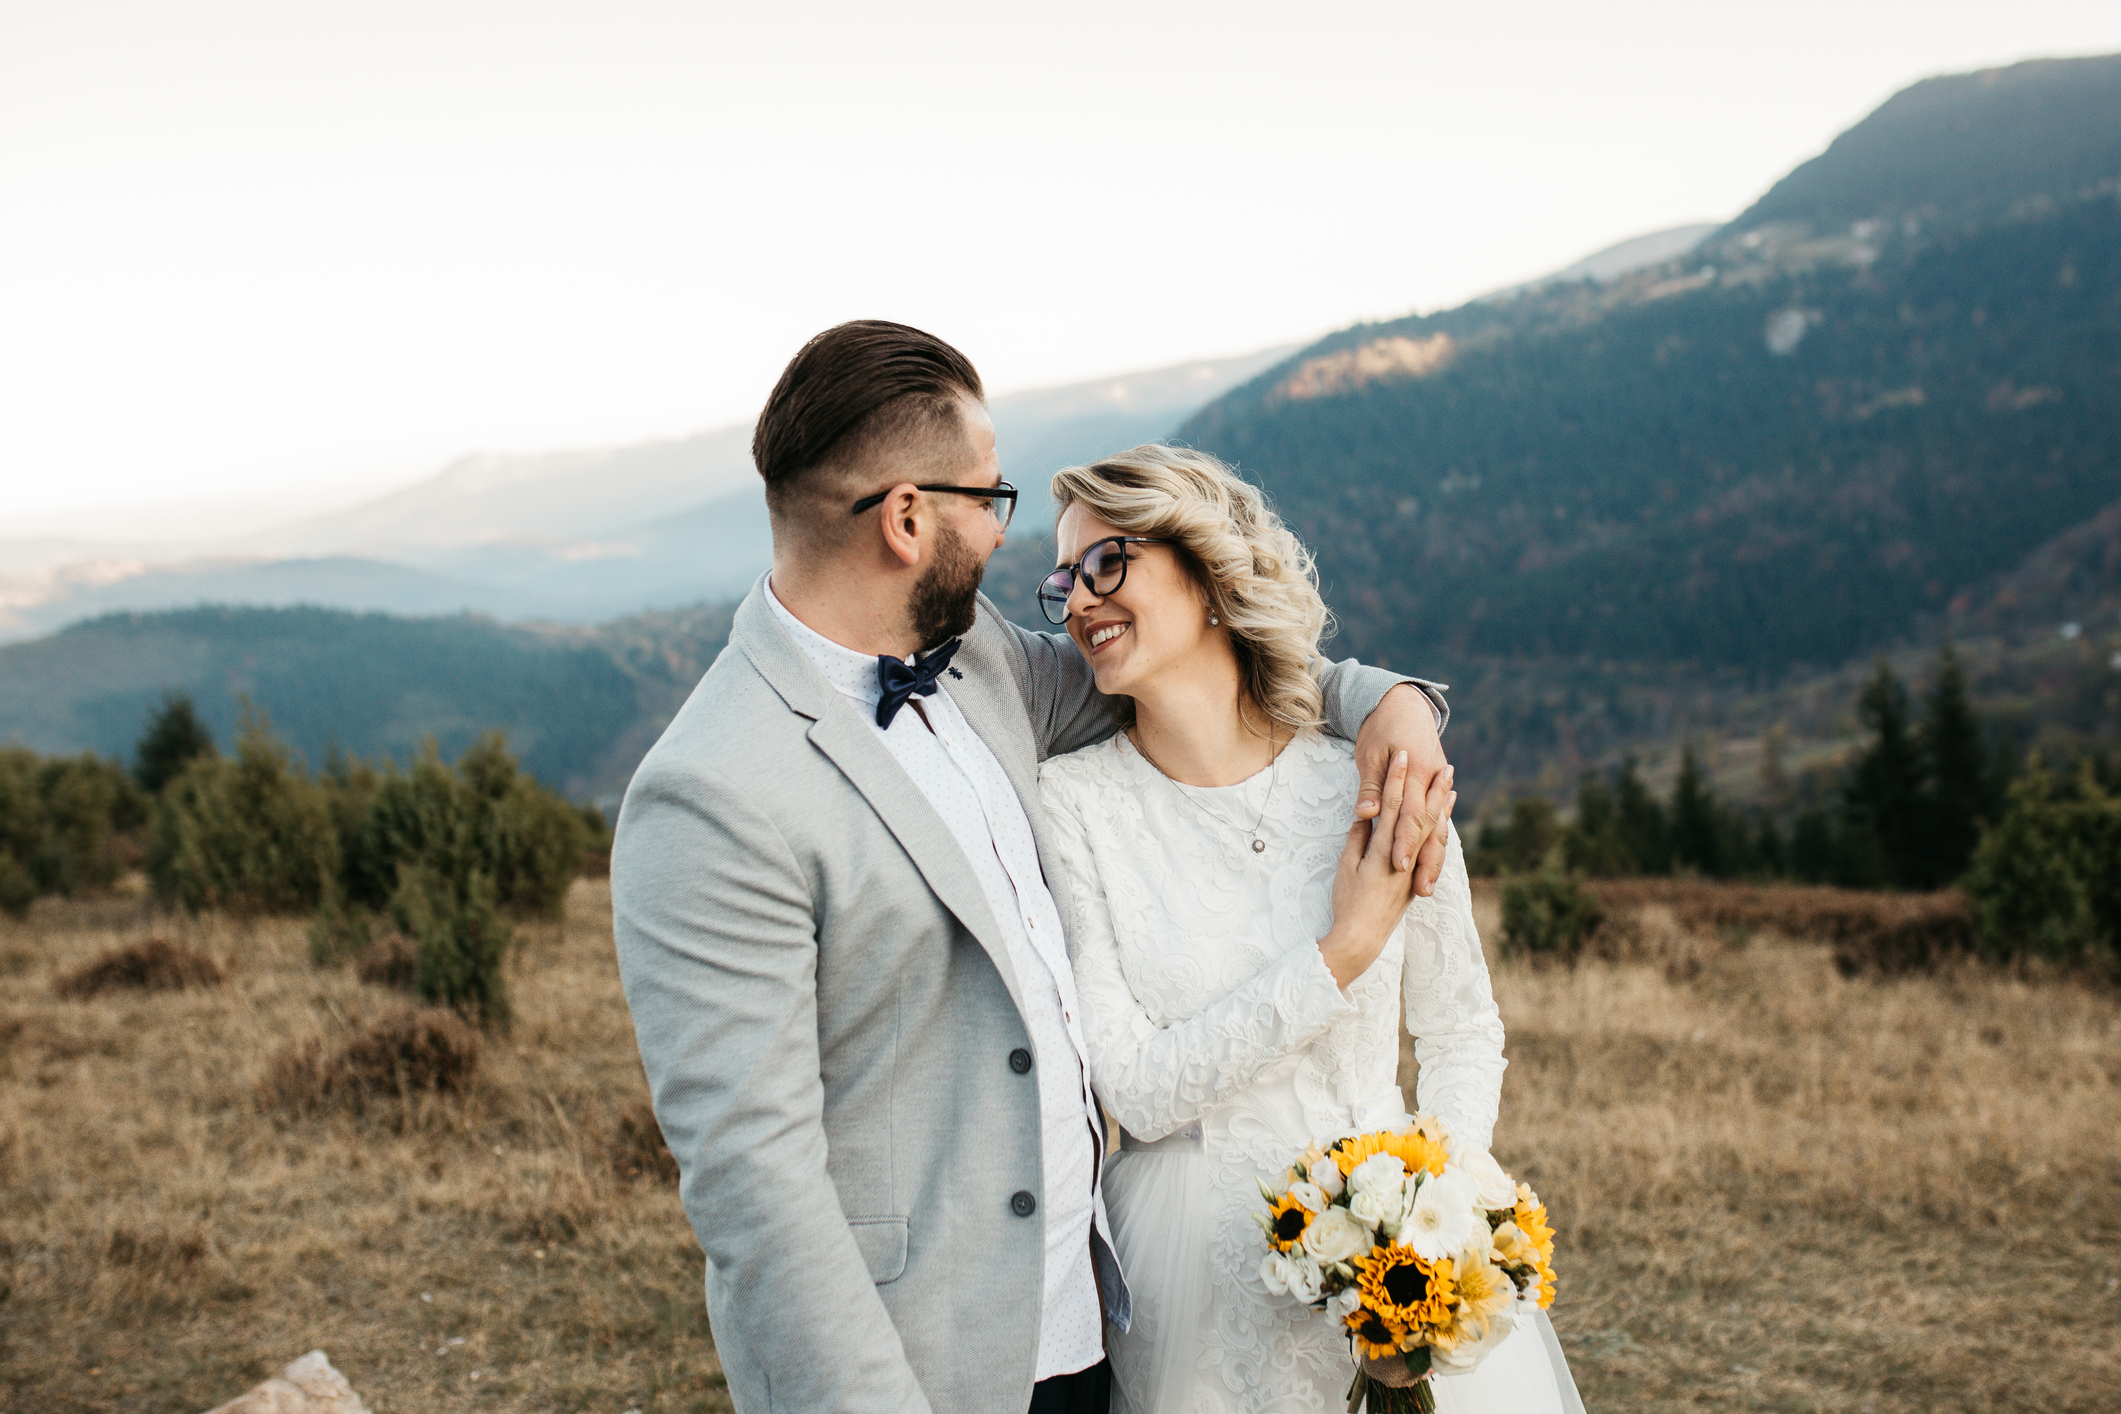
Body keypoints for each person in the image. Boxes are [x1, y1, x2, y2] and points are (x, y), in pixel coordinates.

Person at [610, 320, 1456, 1414]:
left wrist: (1387, 701)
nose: (1006, 539)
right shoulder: (711, 793)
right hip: (930, 1366)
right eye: (988, 499)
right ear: (908, 519)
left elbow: (1191, 660)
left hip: (1094, 1328)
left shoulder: (976, 661)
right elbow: (755, 1193)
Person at [1035, 445, 1584, 1413]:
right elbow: (1137, 1091)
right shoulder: (1075, 806)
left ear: (1208, 575)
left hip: (1392, 1262)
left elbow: (1460, 1029)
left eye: (1107, 562)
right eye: (1064, 579)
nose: (1079, 600)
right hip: (1194, 1276)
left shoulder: (1373, 778)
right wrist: (1342, 955)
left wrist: (1428, 1220)